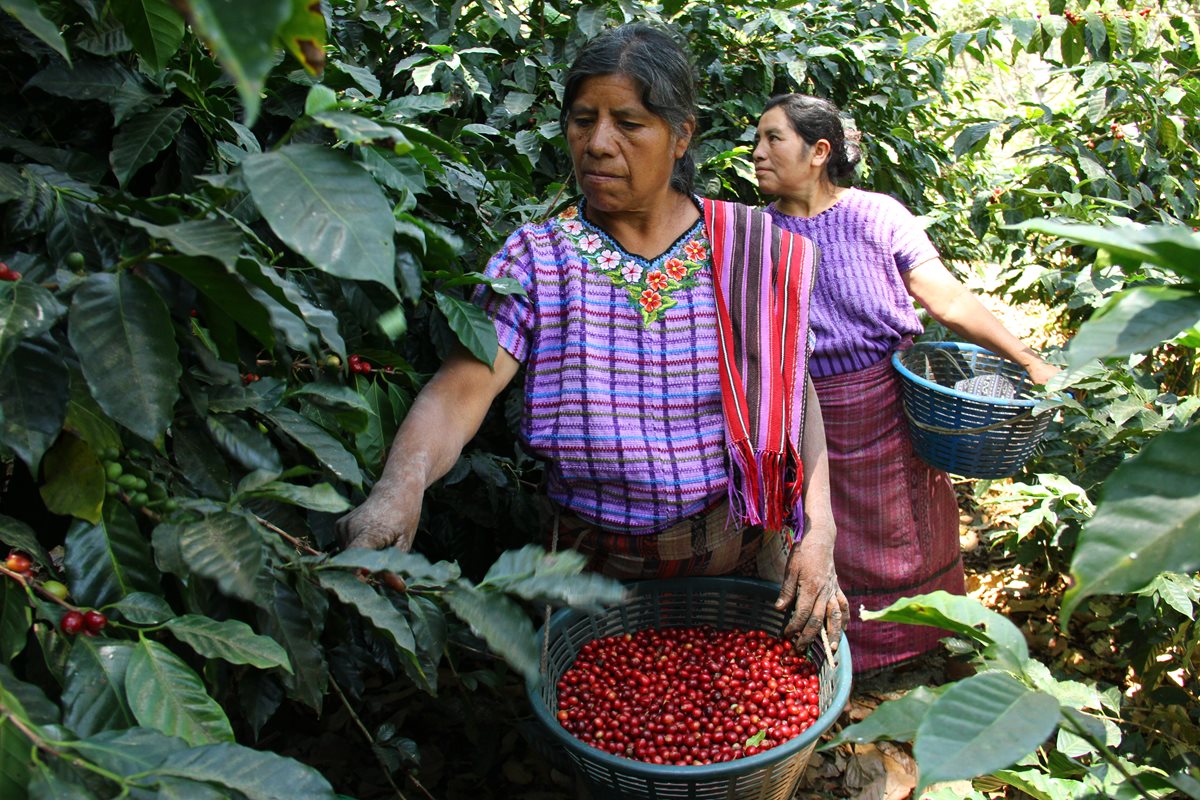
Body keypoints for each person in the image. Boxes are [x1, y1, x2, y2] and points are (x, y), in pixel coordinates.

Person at [337, 26, 849, 652]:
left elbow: (796, 397)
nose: (598, 144)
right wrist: (399, 487)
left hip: (741, 558)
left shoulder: (752, 249)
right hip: (596, 572)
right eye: (583, 121)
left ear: (680, 135)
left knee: (747, 719)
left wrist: (818, 532)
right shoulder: (538, 260)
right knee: (610, 722)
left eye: (629, 123)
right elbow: (458, 394)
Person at [751, 93, 1059, 674]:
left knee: (906, 530)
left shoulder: (877, 216)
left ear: (819, 151)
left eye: (773, 139)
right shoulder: (756, 236)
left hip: (888, 413)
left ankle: (922, 649)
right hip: (807, 419)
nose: (758, 153)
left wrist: (1029, 359)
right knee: (822, 539)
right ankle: (841, 664)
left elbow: (947, 299)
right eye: (758, 141)